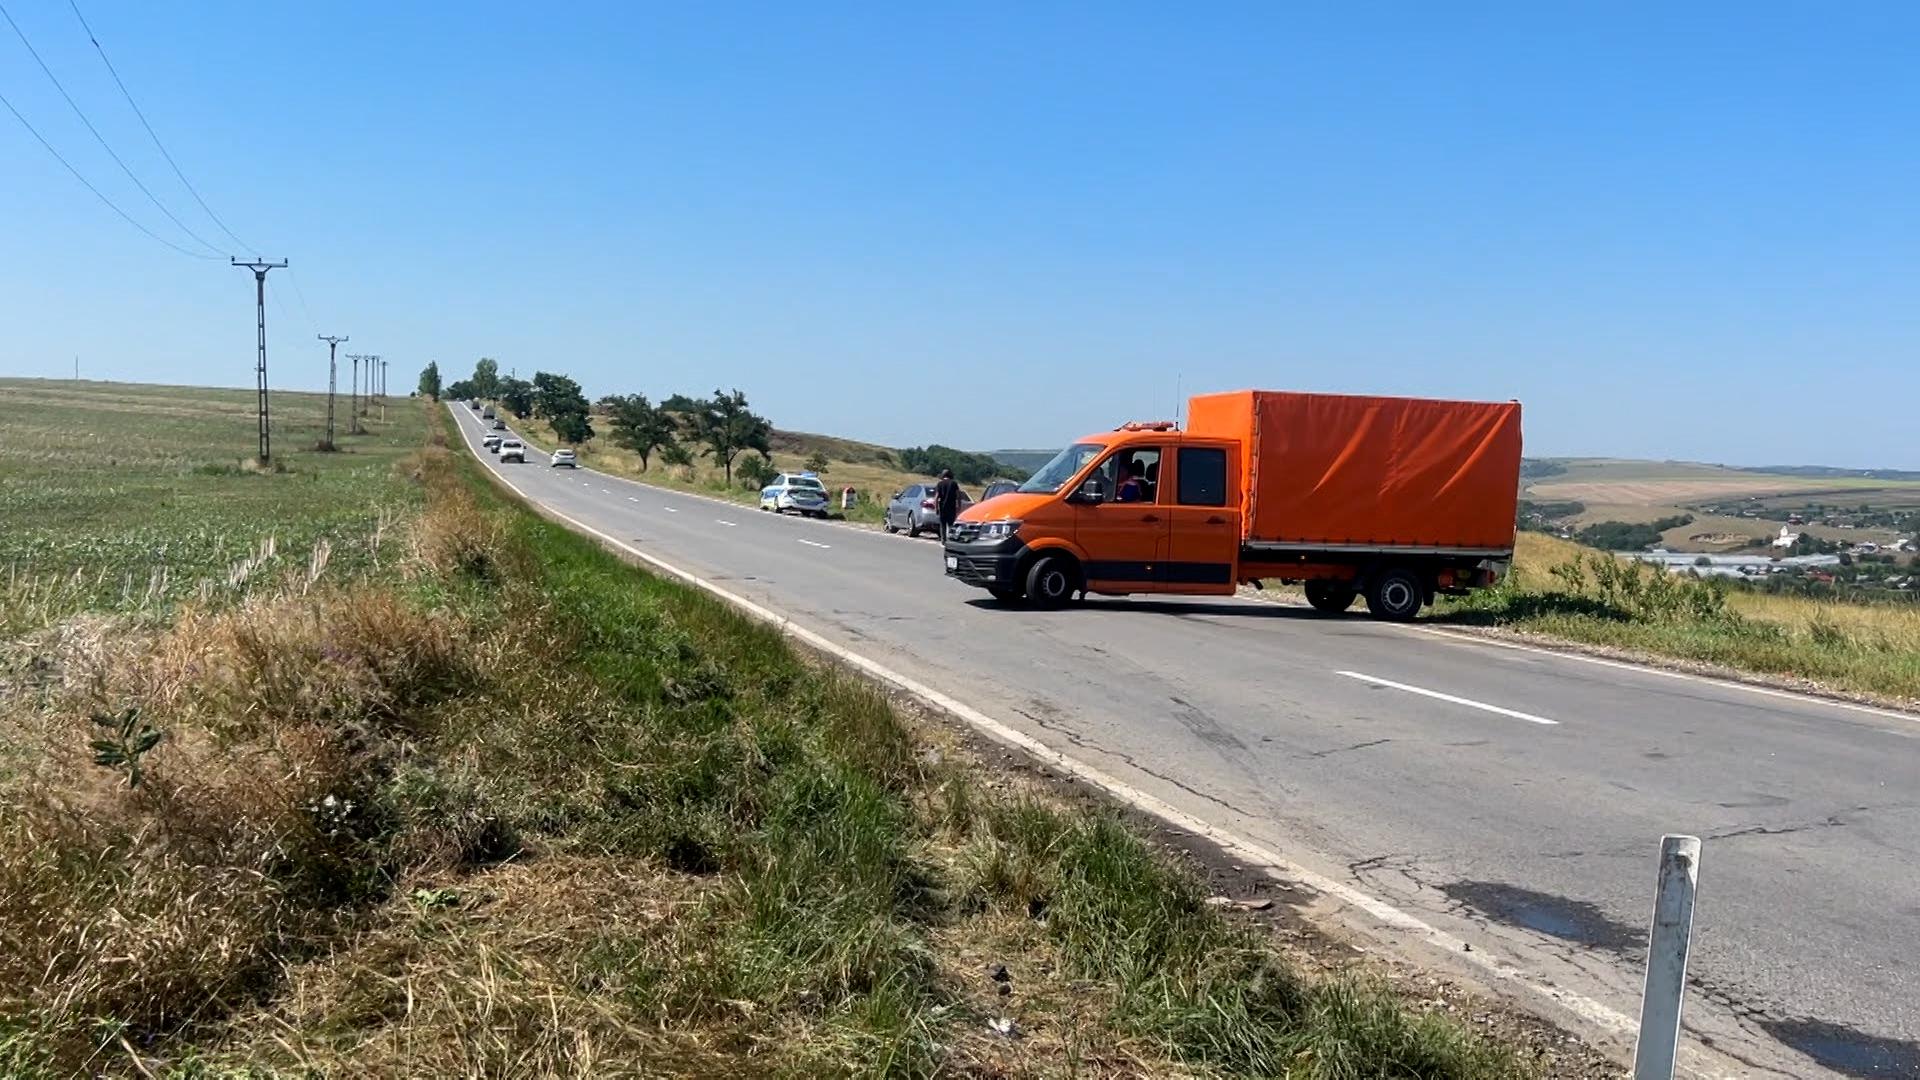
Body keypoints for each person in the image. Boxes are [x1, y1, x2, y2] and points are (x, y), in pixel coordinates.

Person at [934, 468, 961, 539]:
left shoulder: (940, 484)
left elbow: (936, 497)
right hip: (951, 507)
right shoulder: (954, 483)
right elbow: (958, 496)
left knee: (943, 524)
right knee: (951, 524)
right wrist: (959, 506)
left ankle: (943, 539)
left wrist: (936, 508)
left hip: (942, 507)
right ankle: (951, 538)